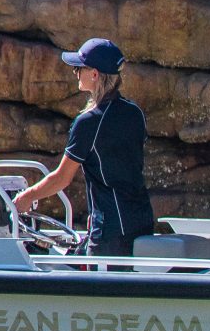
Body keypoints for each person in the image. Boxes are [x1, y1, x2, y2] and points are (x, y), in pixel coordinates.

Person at [18, 37, 154, 258]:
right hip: (141, 221)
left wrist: (25, 198)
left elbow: (62, 178)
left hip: (110, 232)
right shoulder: (134, 113)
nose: (75, 73)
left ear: (95, 74)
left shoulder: (89, 121)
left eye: (79, 68)